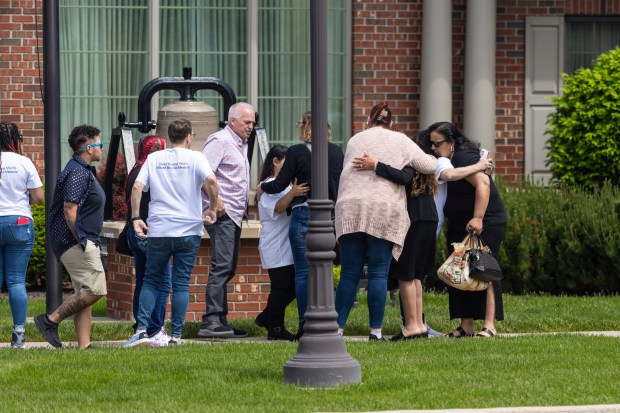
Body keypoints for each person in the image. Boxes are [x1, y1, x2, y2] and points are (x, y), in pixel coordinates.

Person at [354, 130, 492, 340]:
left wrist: (376, 165)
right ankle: (418, 324)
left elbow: (403, 176)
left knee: (405, 274)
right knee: (416, 275)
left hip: (415, 220)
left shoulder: (415, 162)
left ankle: (411, 326)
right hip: (428, 219)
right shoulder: (428, 163)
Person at [334, 102, 437, 341]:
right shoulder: (401, 140)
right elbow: (430, 165)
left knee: (349, 272)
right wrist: (410, 161)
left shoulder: (354, 140)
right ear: (391, 123)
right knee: (379, 273)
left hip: (349, 207)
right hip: (382, 208)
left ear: (368, 121)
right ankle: (375, 332)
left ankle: (338, 329)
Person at [124, 119, 219, 347]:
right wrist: (213, 208)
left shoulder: (154, 158)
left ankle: (142, 330)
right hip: (188, 228)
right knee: (181, 283)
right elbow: (212, 181)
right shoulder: (196, 157)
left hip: (159, 228)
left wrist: (136, 217)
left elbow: (137, 187)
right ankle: (176, 336)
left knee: (151, 280)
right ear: (189, 137)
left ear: (169, 137)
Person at [256, 111, 344, 338]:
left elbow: (278, 185)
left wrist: (262, 187)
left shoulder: (296, 152)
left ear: (303, 129)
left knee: (303, 273)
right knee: (324, 271)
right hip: (328, 216)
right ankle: (328, 319)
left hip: (303, 213)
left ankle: (306, 323)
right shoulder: (336, 152)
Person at [427, 121, 507, 338]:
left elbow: (483, 184)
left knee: (485, 270)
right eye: (431, 144)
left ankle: (489, 324)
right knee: (460, 270)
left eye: (437, 143)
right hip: (461, 222)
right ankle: (466, 325)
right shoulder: (448, 160)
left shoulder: (464, 157)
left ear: (451, 142)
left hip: (486, 220)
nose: (433, 148)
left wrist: (478, 218)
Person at [34, 125, 107, 349]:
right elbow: (69, 209)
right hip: (75, 241)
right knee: (95, 289)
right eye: (100, 144)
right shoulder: (77, 172)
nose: (102, 149)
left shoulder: (83, 169)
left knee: (83, 292)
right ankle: (50, 321)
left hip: (76, 239)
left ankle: (84, 345)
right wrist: (81, 239)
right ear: (88, 148)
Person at [198, 103, 254, 339]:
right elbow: (202, 174)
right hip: (221, 214)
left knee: (228, 266)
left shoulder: (241, 144)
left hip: (234, 215)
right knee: (222, 266)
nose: (250, 127)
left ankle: (221, 321)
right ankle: (210, 321)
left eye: (252, 123)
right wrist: (216, 201)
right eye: (246, 123)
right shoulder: (220, 141)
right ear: (232, 121)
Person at [255, 145, 309, 340]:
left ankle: (267, 316)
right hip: (275, 245)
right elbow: (279, 208)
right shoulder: (270, 184)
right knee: (280, 287)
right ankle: (275, 328)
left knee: (293, 287)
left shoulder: (285, 185)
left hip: (287, 245)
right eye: (287, 163)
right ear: (275, 162)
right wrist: (293, 193)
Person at [123, 135, 172, 346]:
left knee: (143, 282)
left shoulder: (136, 168)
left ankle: (140, 328)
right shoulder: (151, 171)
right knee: (162, 282)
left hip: (134, 232)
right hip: (148, 232)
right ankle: (154, 329)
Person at [0, 122, 44, 349]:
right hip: (19, 222)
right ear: (15, 139)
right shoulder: (24, 162)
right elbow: (38, 197)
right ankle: (18, 336)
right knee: (16, 281)